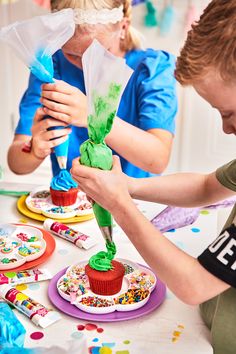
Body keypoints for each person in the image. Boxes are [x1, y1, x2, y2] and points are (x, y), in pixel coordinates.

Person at [70, 1, 236, 353]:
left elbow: (194, 284)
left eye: (229, 112)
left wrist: (120, 203)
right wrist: (126, 185)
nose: (225, 129)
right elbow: (207, 186)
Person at [7, 0, 177, 179]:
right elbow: (16, 163)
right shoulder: (49, 68)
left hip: (133, 201)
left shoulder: (152, 69)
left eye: (98, 53)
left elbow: (158, 160)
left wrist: (94, 116)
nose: (85, 65)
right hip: (72, 202)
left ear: (123, 27)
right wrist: (35, 150)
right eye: (71, 54)